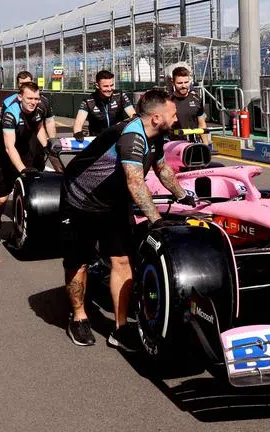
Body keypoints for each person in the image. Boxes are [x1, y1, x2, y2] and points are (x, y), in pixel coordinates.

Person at [60, 88, 191, 349]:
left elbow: (162, 169)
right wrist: (156, 220)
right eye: (172, 115)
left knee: (121, 259)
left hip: (114, 201)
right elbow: (135, 182)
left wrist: (183, 196)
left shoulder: (156, 136)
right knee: (79, 261)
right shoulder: (131, 137)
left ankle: (120, 328)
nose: (176, 119)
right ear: (155, 118)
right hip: (82, 199)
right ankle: (79, 317)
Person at [0, 82, 47, 246]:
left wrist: (48, 146)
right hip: (3, 155)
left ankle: (21, 228)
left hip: (25, 150)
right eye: (29, 98)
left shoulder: (39, 109)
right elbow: (9, 147)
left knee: (28, 192)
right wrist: (23, 170)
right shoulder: (11, 114)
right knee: (1, 199)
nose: (33, 102)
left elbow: (40, 128)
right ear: (20, 97)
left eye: (36, 98)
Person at [72, 69, 135, 139]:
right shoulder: (88, 101)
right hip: (97, 140)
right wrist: (77, 133)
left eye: (111, 85)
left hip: (118, 139)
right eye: (105, 86)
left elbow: (133, 115)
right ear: (97, 85)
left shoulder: (120, 95)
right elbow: (79, 122)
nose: (109, 89)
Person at [166, 63, 209, 144]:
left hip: (193, 144)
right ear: (173, 83)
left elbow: (201, 123)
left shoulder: (196, 99)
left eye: (186, 82)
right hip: (174, 145)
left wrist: (206, 145)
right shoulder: (168, 102)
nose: (183, 86)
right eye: (180, 83)